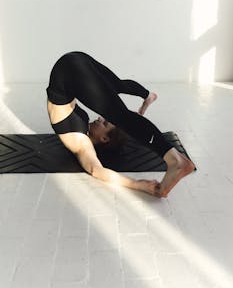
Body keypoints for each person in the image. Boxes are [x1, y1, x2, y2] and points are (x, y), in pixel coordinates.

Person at [46, 51, 195, 197]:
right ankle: (148, 96)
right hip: (77, 62)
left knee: (122, 116)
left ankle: (176, 161)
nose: (100, 118)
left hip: (69, 70)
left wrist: (138, 185)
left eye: (105, 124)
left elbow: (96, 170)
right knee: (117, 85)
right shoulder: (83, 129)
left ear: (104, 139)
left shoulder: (79, 143)